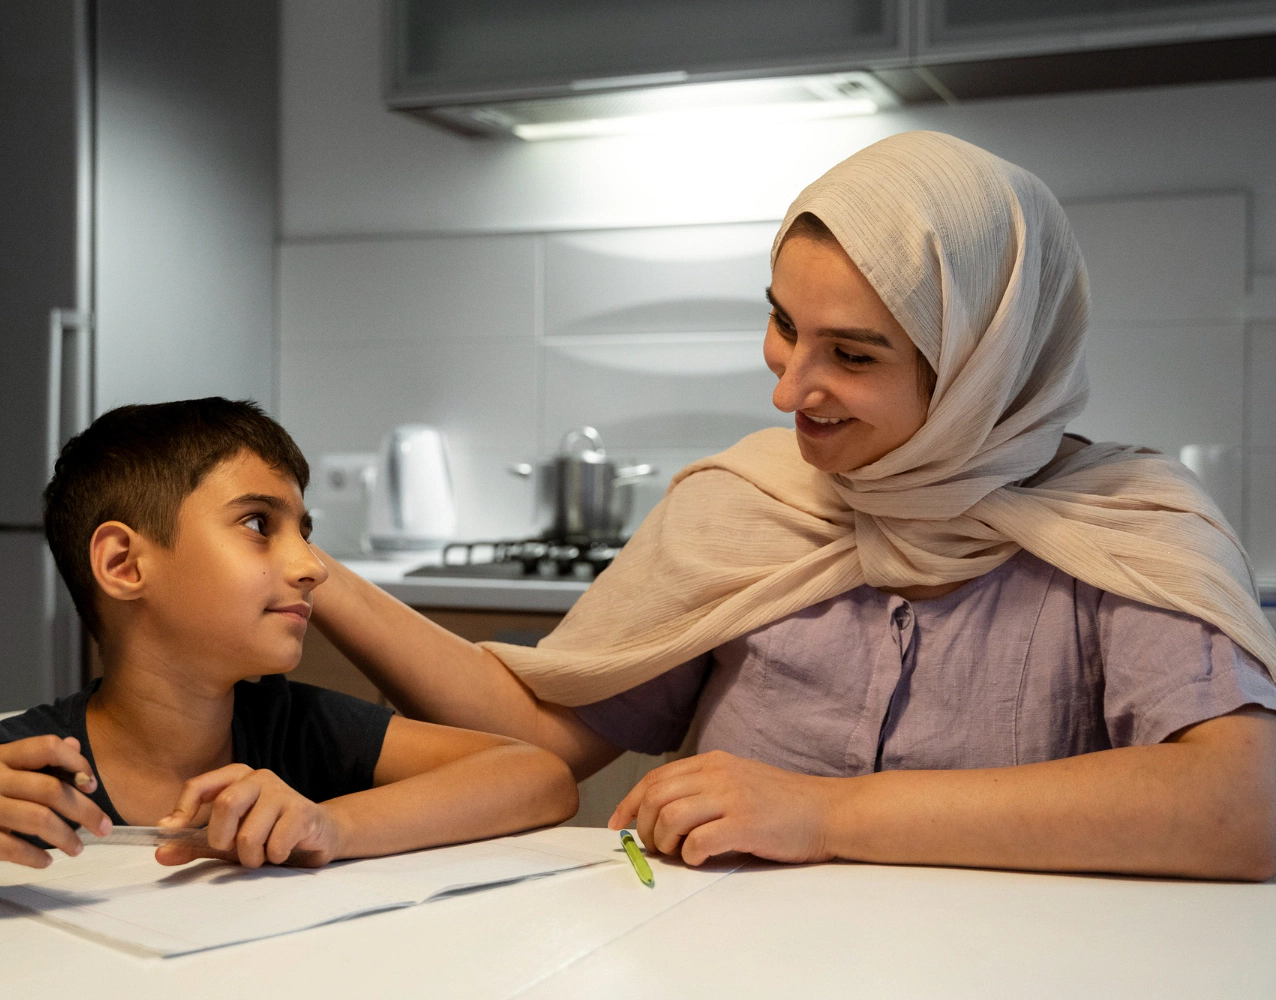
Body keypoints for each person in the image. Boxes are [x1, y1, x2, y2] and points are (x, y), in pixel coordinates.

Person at [311, 131, 1276, 881]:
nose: (787, 389)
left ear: (985, 368)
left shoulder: (1126, 524)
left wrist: (822, 813)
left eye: (852, 355)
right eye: (782, 324)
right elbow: (542, 735)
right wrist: (315, 576)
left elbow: (1245, 804)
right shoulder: (748, 502)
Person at [0, 398, 578, 897]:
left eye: (306, 532)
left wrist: (332, 827)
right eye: (260, 524)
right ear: (125, 564)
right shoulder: (20, 762)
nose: (308, 568)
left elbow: (536, 776)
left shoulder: (293, 729)